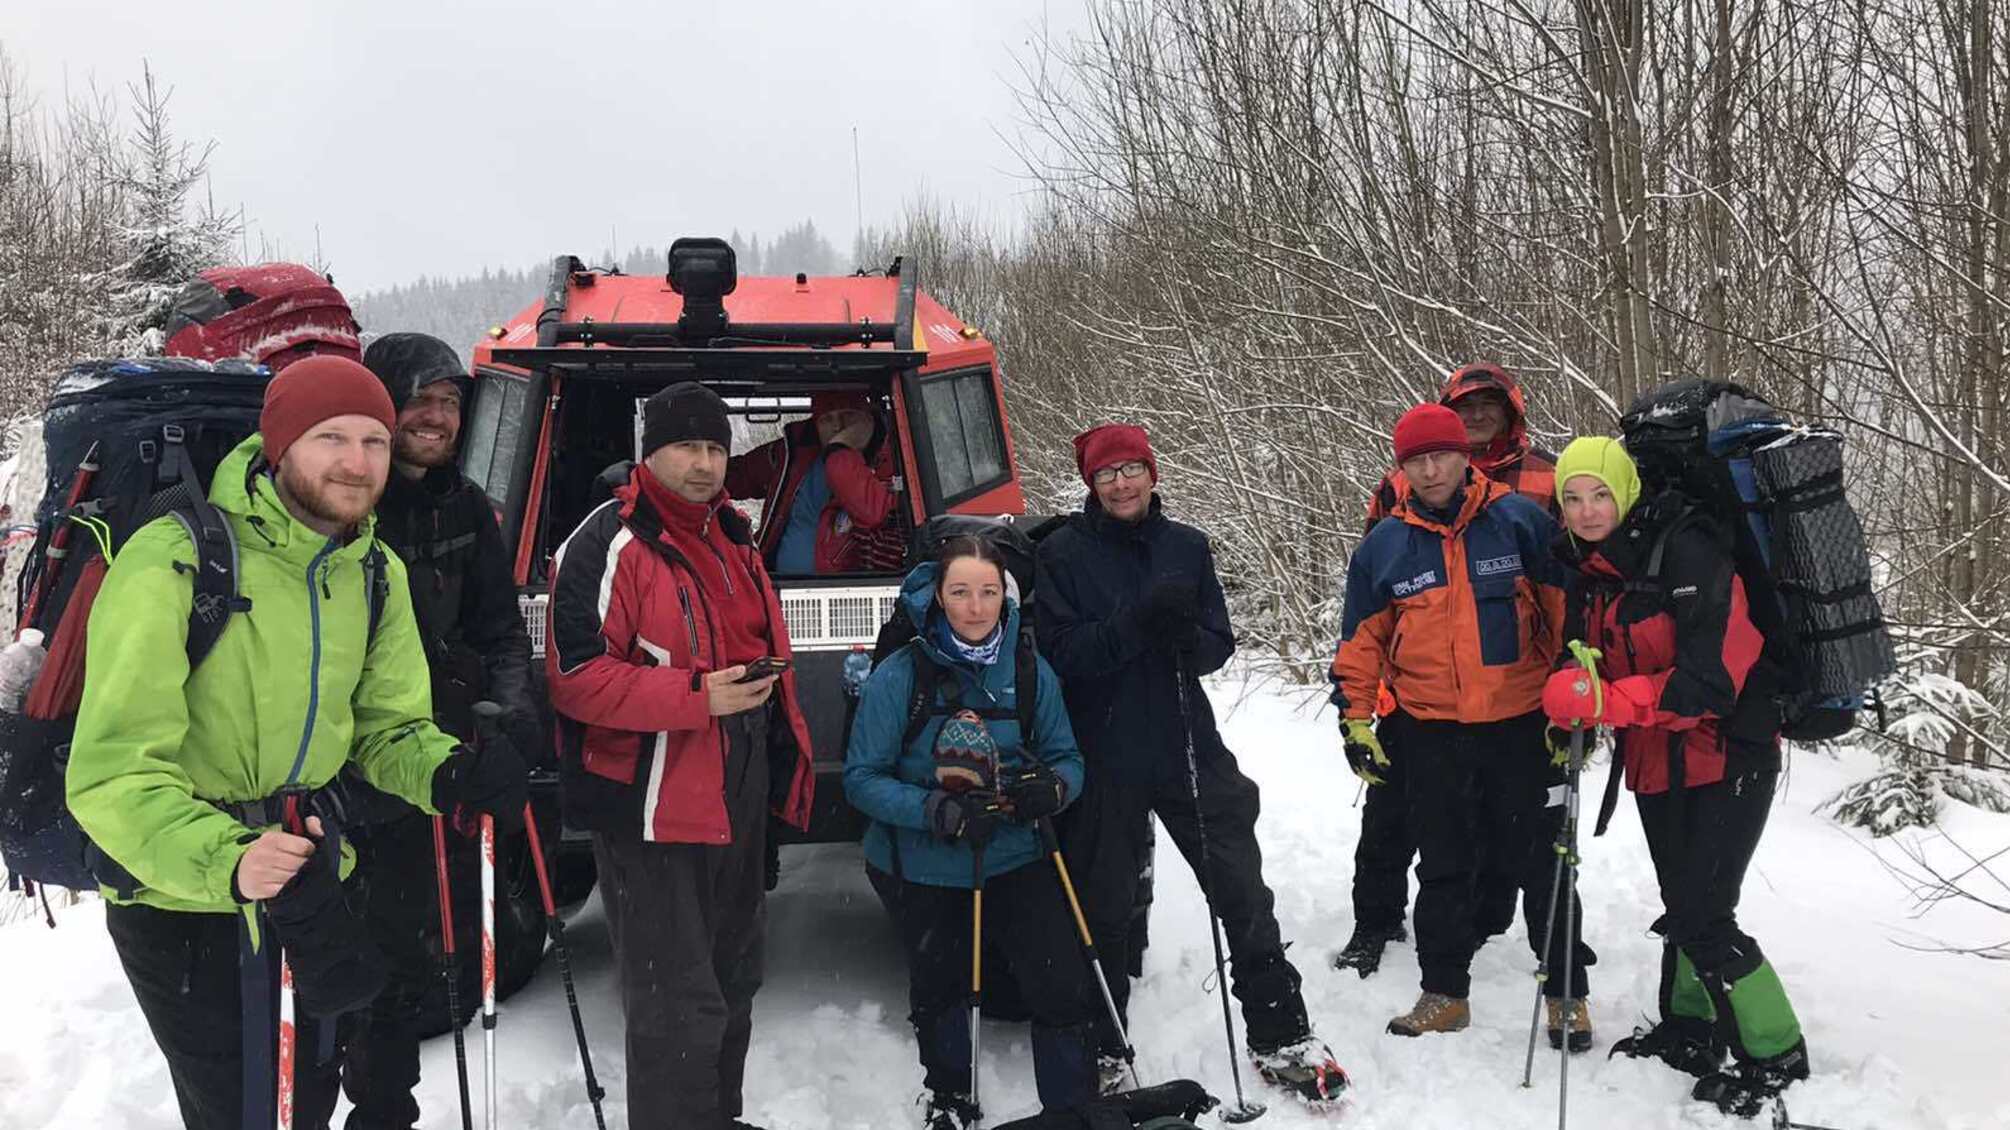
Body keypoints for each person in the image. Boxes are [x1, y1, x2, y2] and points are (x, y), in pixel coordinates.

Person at [65, 356, 529, 1130]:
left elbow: (388, 726)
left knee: (304, 1102)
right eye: (332, 438)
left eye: (375, 441)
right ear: (280, 445)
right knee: (250, 1112)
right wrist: (233, 858)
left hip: (313, 882)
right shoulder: (176, 559)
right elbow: (111, 774)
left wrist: (448, 771)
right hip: (185, 902)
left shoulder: (371, 570)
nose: (358, 462)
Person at [1035, 423, 1344, 1103]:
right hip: (1103, 749)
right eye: (1107, 473)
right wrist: (1135, 625)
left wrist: (1188, 639)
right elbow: (1060, 653)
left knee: (1240, 888)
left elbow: (1217, 644)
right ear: (1091, 484)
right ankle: (1103, 1047)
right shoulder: (1061, 553)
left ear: (1153, 473)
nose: (1121, 483)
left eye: (1131, 469)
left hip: (1185, 743)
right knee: (1105, 905)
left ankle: (1280, 1032)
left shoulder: (1187, 547)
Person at [545, 381, 816, 1130]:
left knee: (734, 981)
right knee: (674, 1003)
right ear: (649, 453)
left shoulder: (733, 537)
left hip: (735, 786)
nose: (702, 464)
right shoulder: (607, 542)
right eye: (685, 447)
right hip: (652, 803)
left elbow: (762, 649)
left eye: (714, 448)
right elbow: (575, 678)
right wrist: (698, 695)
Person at [1543, 437, 1807, 1117]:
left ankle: (1777, 1054)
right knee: (1686, 903)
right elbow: (1596, 662)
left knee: (1704, 913)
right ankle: (1691, 1031)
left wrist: (1604, 702)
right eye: (1572, 498)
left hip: (1730, 753)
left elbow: (1710, 683)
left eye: (1601, 494)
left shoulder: (1690, 551)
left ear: (1627, 491)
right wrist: (1572, 704)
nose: (1587, 509)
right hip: (1657, 760)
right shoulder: (1594, 568)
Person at [1330, 403, 1593, 1046]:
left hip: (1523, 725)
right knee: (1443, 866)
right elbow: (1361, 644)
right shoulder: (1384, 547)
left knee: (1544, 861)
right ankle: (1444, 992)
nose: (1431, 469)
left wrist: (1574, 702)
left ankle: (1566, 995)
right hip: (1431, 729)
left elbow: (1569, 622)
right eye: (1416, 459)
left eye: (1442, 454)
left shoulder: (1520, 521)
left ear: (1463, 455)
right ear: (1402, 469)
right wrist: (1356, 720)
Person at [341, 333, 539, 1130]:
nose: (435, 416)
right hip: (356, 775)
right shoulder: (347, 505)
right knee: (372, 955)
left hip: (453, 761)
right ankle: (379, 1109)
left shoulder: (467, 509)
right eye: (418, 398)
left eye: (449, 401)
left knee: (434, 938)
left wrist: (514, 718)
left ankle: (392, 1100)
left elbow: (499, 629)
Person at [845, 536, 1095, 1130]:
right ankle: (951, 1096)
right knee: (942, 985)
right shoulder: (900, 674)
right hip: (926, 861)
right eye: (960, 592)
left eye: (988, 592)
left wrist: (1053, 789)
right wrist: (939, 811)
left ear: (1004, 597)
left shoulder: (1031, 669)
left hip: (1015, 853)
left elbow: (1069, 759)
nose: (975, 607)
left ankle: (1071, 1105)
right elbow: (861, 778)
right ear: (938, 595)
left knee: (1059, 982)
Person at [726, 390, 896, 573]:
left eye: (848, 416)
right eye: (827, 419)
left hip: (850, 590)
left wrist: (839, 450)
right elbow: (736, 476)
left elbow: (871, 513)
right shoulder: (792, 452)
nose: (837, 426)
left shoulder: (893, 460)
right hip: (779, 583)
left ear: (867, 420)